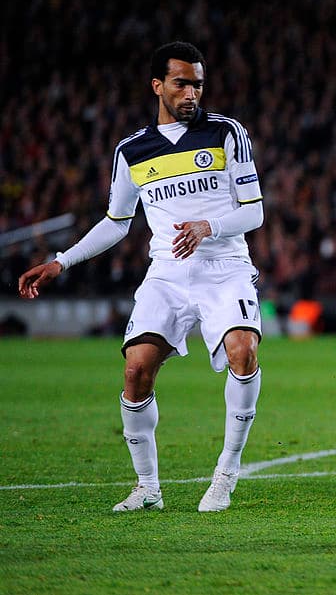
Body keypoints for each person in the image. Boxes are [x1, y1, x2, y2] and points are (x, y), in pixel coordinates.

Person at [18, 41, 266, 513]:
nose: (192, 92)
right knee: (135, 372)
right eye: (181, 83)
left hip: (226, 268)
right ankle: (147, 487)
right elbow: (116, 221)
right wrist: (60, 261)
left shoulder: (227, 133)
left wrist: (206, 226)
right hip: (167, 274)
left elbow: (254, 212)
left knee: (244, 350)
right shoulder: (133, 150)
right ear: (157, 86)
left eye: (197, 82)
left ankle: (225, 475)